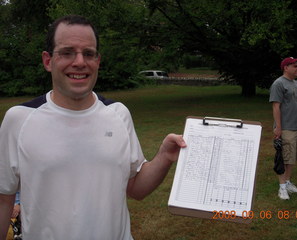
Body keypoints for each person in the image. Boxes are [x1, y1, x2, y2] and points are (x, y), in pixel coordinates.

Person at [0, 15, 186, 240]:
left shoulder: (118, 114)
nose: (79, 62)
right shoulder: (19, 119)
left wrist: (164, 156)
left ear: (97, 61)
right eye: (67, 52)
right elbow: (4, 198)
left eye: (88, 53)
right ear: (48, 61)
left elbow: (136, 188)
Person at [269, 57, 297, 200]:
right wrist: (278, 127)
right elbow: (275, 106)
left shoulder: (295, 83)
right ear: (286, 68)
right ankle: (282, 187)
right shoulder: (279, 83)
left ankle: (288, 182)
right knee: (284, 157)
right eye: (295, 66)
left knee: (292, 157)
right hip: (287, 127)